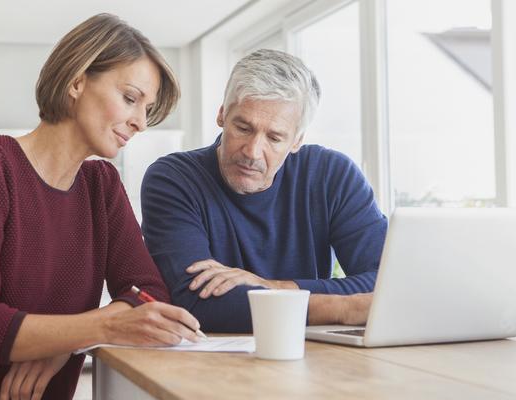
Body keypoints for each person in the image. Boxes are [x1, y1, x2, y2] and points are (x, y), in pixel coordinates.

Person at [0, 14, 202, 400]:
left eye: (147, 108)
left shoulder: (102, 186)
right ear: (77, 81)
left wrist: (64, 343)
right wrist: (98, 327)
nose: (141, 123)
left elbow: (149, 293)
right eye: (131, 99)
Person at [140, 49, 387, 333]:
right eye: (243, 128)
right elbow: (197, 302)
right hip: (209, 364)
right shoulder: (174, 179)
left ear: (296, 141)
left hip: (310, 354)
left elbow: (387, 283)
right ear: (222, 114)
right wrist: (343, 308)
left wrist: (276, 287)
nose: (253, 152)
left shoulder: (332, 175)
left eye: (274, 137)